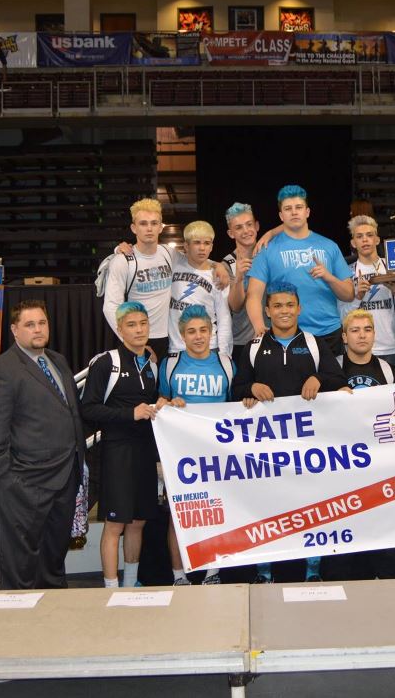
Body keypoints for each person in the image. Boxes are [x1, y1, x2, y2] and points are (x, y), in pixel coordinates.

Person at [233, 282, 348, 583]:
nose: (284, 311)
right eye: (278, 306)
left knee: (310, 506)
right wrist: (250, 388)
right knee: (267, 507)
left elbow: (338, 379)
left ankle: (312, 570)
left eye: (289, 305)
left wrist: (318, 378)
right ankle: (264, 571)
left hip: (308, 446)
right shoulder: (254, 347)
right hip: (267, 447)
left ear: (299, 308)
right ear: (268, 311)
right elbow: (236, 389)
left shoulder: (313, 342)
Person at [0, 300, 86, 589]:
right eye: (29, 324)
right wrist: (9, 479)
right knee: (19, 564)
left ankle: (52, 616)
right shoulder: (1, 370)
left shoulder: (57, 360)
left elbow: (69, 414)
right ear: (14, 330)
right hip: (24, 483)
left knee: (54, 557)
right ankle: (17, 622)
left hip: (64, 478)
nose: (38, 329)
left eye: (42, 322)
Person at [81, 302, 166, 588]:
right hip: (117, 453)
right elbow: (88, 409)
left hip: (144, 453)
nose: (139, 329)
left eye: (143, 323)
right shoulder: (107, 362)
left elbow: (151, 409)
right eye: (132, 324)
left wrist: (164, 405)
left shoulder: (152, 364)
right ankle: (111, 588)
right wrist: (130, 414)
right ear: (119, 330)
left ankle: (130, 586)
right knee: (115, 525)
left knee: (138, 522)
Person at [157, 304, 236, 585]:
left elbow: (234, 407)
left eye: (203, 330)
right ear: (182, 335)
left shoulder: (226, 364)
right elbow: (160, 405)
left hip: (216, 454)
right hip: (179, 454)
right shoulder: (171, 365)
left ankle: (212, 572)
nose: (199, 336)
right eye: (191, 332)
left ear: (212, 331)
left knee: (216, 512)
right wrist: (169, 403)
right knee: (178, 517)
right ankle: (179, 577)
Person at [245, 184, 356, 357]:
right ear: (281, 215)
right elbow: (253, 294)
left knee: (333, 384)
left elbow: (349, 294)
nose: (294, 212)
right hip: (286, 335)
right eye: (288, 209)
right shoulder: (266, 250)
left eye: (299, 207)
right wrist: (259, 326)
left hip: (329, 333)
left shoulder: (329, 246)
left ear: (307, 212)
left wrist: (329, 277)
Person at [331, 309, 395, 580]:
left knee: (382, 523)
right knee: (348, 526)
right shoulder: (331, 368)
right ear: (345, 337)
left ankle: (387, 572)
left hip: (379, 462)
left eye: (367, 330)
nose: (362, 335)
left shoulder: (387, 369)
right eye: (355, 330)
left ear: (374, 334)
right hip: (343, 463)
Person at [101, 198, 176, 361]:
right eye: (143, 223)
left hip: (169, 338)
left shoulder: (168, 254)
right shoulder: (122, 261)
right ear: (134, 228)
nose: (149, 228)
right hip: (137, 339)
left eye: (154, 223)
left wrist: (219, 267)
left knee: (164, 387)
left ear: (160, 227)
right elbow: (110, 306)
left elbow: (196, 262)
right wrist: (132, 341)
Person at [338, 215, 395, 370]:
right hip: (357, 349)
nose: (365, 240)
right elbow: (342, 316)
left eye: (369, 235)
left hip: (390, 345)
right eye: (359, 236)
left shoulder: (392, 267)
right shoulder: (346, 273)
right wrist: (357, 297)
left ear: (377, 239)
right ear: (353, 243)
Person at [168, 221, 232, 355]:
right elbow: (150, 251)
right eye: (197, 243)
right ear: (186, 246)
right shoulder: (174, 263)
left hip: (209, 348)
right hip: (176, 347)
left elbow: (224, 317)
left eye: (206, 243)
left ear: (212, 246)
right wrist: (118, 249)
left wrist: (224, 354)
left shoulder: (218, 275)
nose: (202, 248)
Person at [222, 202, 261, 363]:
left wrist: (270, 234)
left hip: (273, 338)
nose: (246, 231)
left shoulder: (270, 254)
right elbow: (235, 307)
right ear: (231, 233)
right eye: (239, 227)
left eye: (249, 224)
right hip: (241, 342)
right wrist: (239, 277)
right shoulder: (227, 263)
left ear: (257, 226)